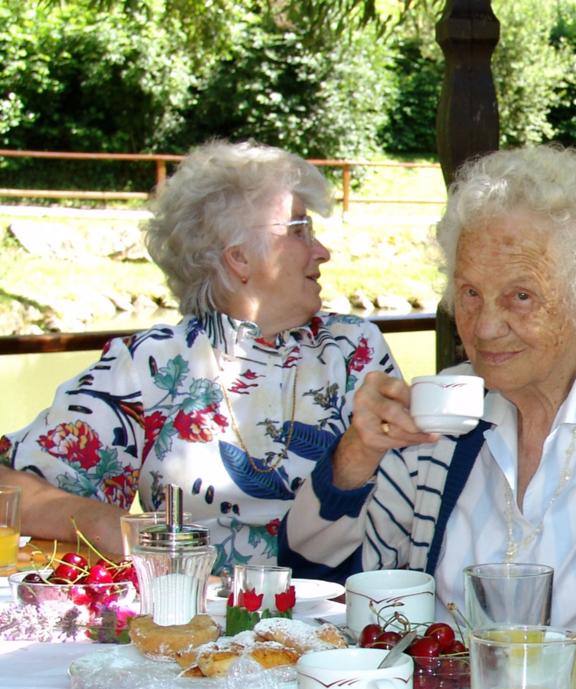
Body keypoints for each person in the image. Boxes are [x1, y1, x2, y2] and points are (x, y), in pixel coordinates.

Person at [283, 145, 576, 646]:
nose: (484, 328)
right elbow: (318, 581)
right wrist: (360, 451)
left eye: (520, 296)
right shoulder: (448, 406)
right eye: (470, 293)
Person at [0, 141, 397, 566]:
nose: (323, 251)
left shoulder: (353, 348)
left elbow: (415, 489)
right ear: (239, 258)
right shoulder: (153, 365)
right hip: (198, 619)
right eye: (299, 230)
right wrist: (109, 526)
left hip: (351, 614)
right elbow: (10, 488)